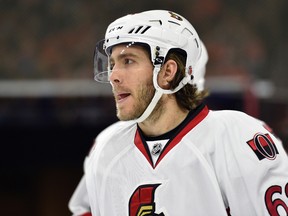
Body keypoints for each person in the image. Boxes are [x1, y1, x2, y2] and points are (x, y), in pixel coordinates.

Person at [69, 10, 288, 216]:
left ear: (168, 72)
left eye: (128, 61)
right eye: (112, 63)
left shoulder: (235, 136)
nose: (113, 76)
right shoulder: (107, 148)